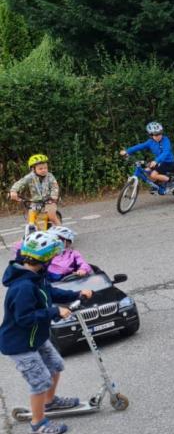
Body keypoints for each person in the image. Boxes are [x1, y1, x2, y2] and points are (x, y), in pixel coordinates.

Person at [1, 231, 94, 434]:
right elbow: (24, 318)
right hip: (20, 345)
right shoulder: (23, 286)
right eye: (53, 257)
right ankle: (38, 423)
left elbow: (50, 292)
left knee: (55, 365)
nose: (54, 260)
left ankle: (50, 402)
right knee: (40, 381)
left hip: (37, 337)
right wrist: (54, 311)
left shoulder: (36, 276)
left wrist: (75, 294)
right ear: (45, 259)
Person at [119, 122, 174, 194]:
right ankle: (158, 185)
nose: (158, 136)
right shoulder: (150, 142)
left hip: (169, 162)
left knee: (153, 175)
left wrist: (156, 161)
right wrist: (127, 151)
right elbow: (140, 146)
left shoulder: (165, 140)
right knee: (146, 171)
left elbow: (166, 152)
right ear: (151, 135)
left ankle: (171, 181)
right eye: (156, 134)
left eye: (160, 133)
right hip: (159, 162)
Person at [9, 154, 61, 227]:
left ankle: (60, 229)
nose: (44, 170)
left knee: (52, 216)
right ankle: (32, 233)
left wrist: (53, 196)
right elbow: (20, 183)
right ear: (33, 169)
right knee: (31, 218)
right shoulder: (30, 177)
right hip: (35, 202)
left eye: (46, 168)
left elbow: (54, 187)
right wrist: (13, 191)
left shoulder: (50, 176)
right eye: (40, 168)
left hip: (49, 201)